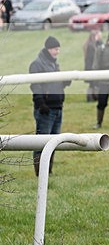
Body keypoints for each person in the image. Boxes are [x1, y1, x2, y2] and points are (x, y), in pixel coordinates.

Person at [29, 36, 70, 176]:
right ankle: (40, 173)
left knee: (53, 143)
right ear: (48, 48)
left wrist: (65, 81)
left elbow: (54, 83)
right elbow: (36, 86)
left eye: (58, 49)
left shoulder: (54, 64)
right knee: (41, 143)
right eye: (55, 49)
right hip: (45, 109)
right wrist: (41, 103)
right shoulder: (37, 64)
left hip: (57, 107)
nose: (57, 51)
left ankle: (48, 172)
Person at [82, 28, 104, 102]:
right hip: (91, 67)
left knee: (92, 84)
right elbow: (93, 58)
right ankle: (92, 97)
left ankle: (91, 97)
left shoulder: (90, 44)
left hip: (89, 67)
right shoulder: (91, 46)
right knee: (94, 84)